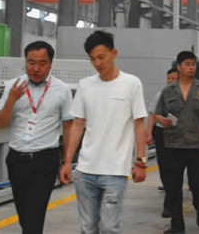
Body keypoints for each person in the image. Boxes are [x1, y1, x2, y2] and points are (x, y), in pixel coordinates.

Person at [59, 31, 148, 234]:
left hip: (115, 172)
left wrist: (141, 162)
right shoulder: (85, 85)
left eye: (101, 57)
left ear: (114, 53)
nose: (97, 63)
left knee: (109, 228)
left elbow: (139, 125)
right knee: (87, 228)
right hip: (85, 171)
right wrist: (67, 162)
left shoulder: (132, 84)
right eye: (92, 59)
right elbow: (78, 125)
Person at [0, 41, 74, 234]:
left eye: (42, 63)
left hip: (44, 160)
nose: (36, 68)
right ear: (25, 62)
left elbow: (68, 128)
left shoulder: (62, 89)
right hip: (17, 160)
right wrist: (12, 99)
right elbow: (1, 123)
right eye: (31, 63)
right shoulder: (13, 86)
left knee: (34, 216)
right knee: (24, 215)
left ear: (50, 64)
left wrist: (67, 162)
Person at [155, 51, 199, 234]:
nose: (191, 68)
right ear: (179, 67)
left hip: (197, 145)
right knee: (173, 188)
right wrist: (161, 120)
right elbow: (158, 114)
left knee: (198, 185)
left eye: (193, 64)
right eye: (188, 64)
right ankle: (177, 225)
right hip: (173, 145)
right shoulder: (168, 91)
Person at [147, 68, 179, 218]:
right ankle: (169, 198)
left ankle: (170, 204)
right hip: (162, 134)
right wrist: (149, 133)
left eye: (174, 79)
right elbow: (152, 115)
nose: (171, 81)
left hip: (179, 136)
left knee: (175, 171)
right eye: (169, 78)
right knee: (165, 168)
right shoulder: (160, 95)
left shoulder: (185, 96)